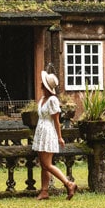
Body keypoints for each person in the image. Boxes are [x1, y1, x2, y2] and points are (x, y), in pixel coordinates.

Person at [31, 70, 78, 200]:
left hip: (48, 132)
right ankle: (44, 191)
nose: (40, 83)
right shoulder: (42, 99)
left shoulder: (52, 100)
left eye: (43, 82)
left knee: (47, 164)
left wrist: (59, 137)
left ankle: (69, 183)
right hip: (41, 132)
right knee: (43, 164)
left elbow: (56, 121)